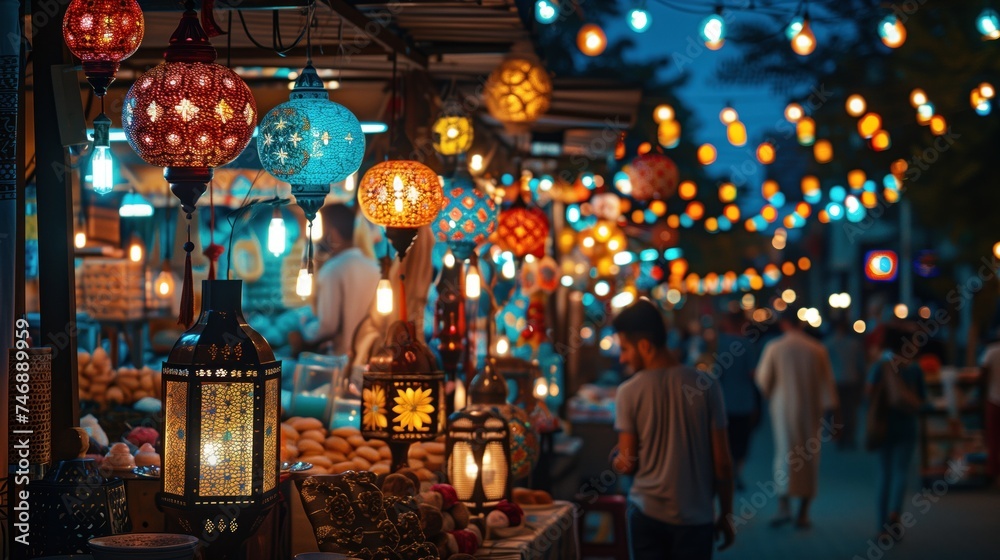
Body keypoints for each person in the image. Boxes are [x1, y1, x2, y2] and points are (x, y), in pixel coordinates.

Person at [611, 299, 735, 560]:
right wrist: (725, 514)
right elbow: (723, 464)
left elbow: (628, 462)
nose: (622, 358)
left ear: (644, 346)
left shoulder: (628, 392)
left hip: (647, 515)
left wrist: (615, 459)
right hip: (696, 518)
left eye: (624, 349)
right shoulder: (707, 385)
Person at [755, 309, 839, 529]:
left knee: (784, 454)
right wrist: (832, 416)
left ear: (784, 324)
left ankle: (783, 507)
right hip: (812, 408)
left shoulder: (775, 347)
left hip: (783, 408)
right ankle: (803, 512)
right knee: (810, 456)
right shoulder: (817, 348)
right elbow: (827, 386)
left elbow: (763, 381)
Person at [866, 324, 926, 539]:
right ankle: (895, 515)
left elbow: (869, 392)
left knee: (884, 473)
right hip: (908, 425)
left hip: (884, 423)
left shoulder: (881, 365)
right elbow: (921, 398)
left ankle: (882, 527)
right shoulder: (915, 368)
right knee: (901, 471)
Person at [299, 204, 381, 357]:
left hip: (341, 362)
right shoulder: (375, 267)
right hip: (369, 357)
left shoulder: (333, 269)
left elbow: (327, 325)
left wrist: (304, 327)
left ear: (333, 234)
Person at [716, 310, 761, 491]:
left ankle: (725, 472)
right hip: (744, 402)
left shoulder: (718, 344)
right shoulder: (747, 345)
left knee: (724, 440)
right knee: (741, 441)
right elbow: (753, 373)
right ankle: (736, 471)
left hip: (722, 402)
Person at [824, 318, 867, 449]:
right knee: (850, 411)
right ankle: (849, 437)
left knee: (835, 411)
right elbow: (861, 365)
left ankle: (837, 436)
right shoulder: (854, 344)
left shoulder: (828, 344)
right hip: (851, 380)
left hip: (835, 381)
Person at [977, 328, 1000, 487]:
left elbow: (982, 373)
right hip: (993, 398)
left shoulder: (991, 352)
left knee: (993, 439)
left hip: (994, 398)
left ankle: (992, 474)